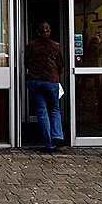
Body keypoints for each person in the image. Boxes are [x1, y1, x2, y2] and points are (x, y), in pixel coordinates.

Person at [24, 22, 65, 152]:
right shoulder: (56, 46)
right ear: (50, 31)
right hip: (51, 80)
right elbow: (61, 65)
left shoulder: (31, 46)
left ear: (37, 32)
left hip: (35, 80)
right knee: (54, 109)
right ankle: (57, 135)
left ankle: (48, 143)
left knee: (42, 111)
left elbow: (26, 62)